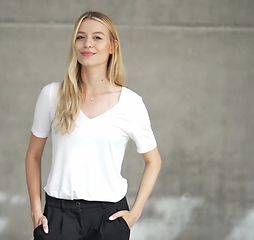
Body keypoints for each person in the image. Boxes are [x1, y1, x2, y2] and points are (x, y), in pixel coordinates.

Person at [25, 11, 162, 240]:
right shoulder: (51, 95)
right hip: (58, 217)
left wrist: (134, 214)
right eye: (80, 37)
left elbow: (153, 160)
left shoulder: (130, 103)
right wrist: (36, 211)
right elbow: (33, 155)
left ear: (112, 46)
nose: (87, 44)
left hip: (108, 218)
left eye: (97, 37)